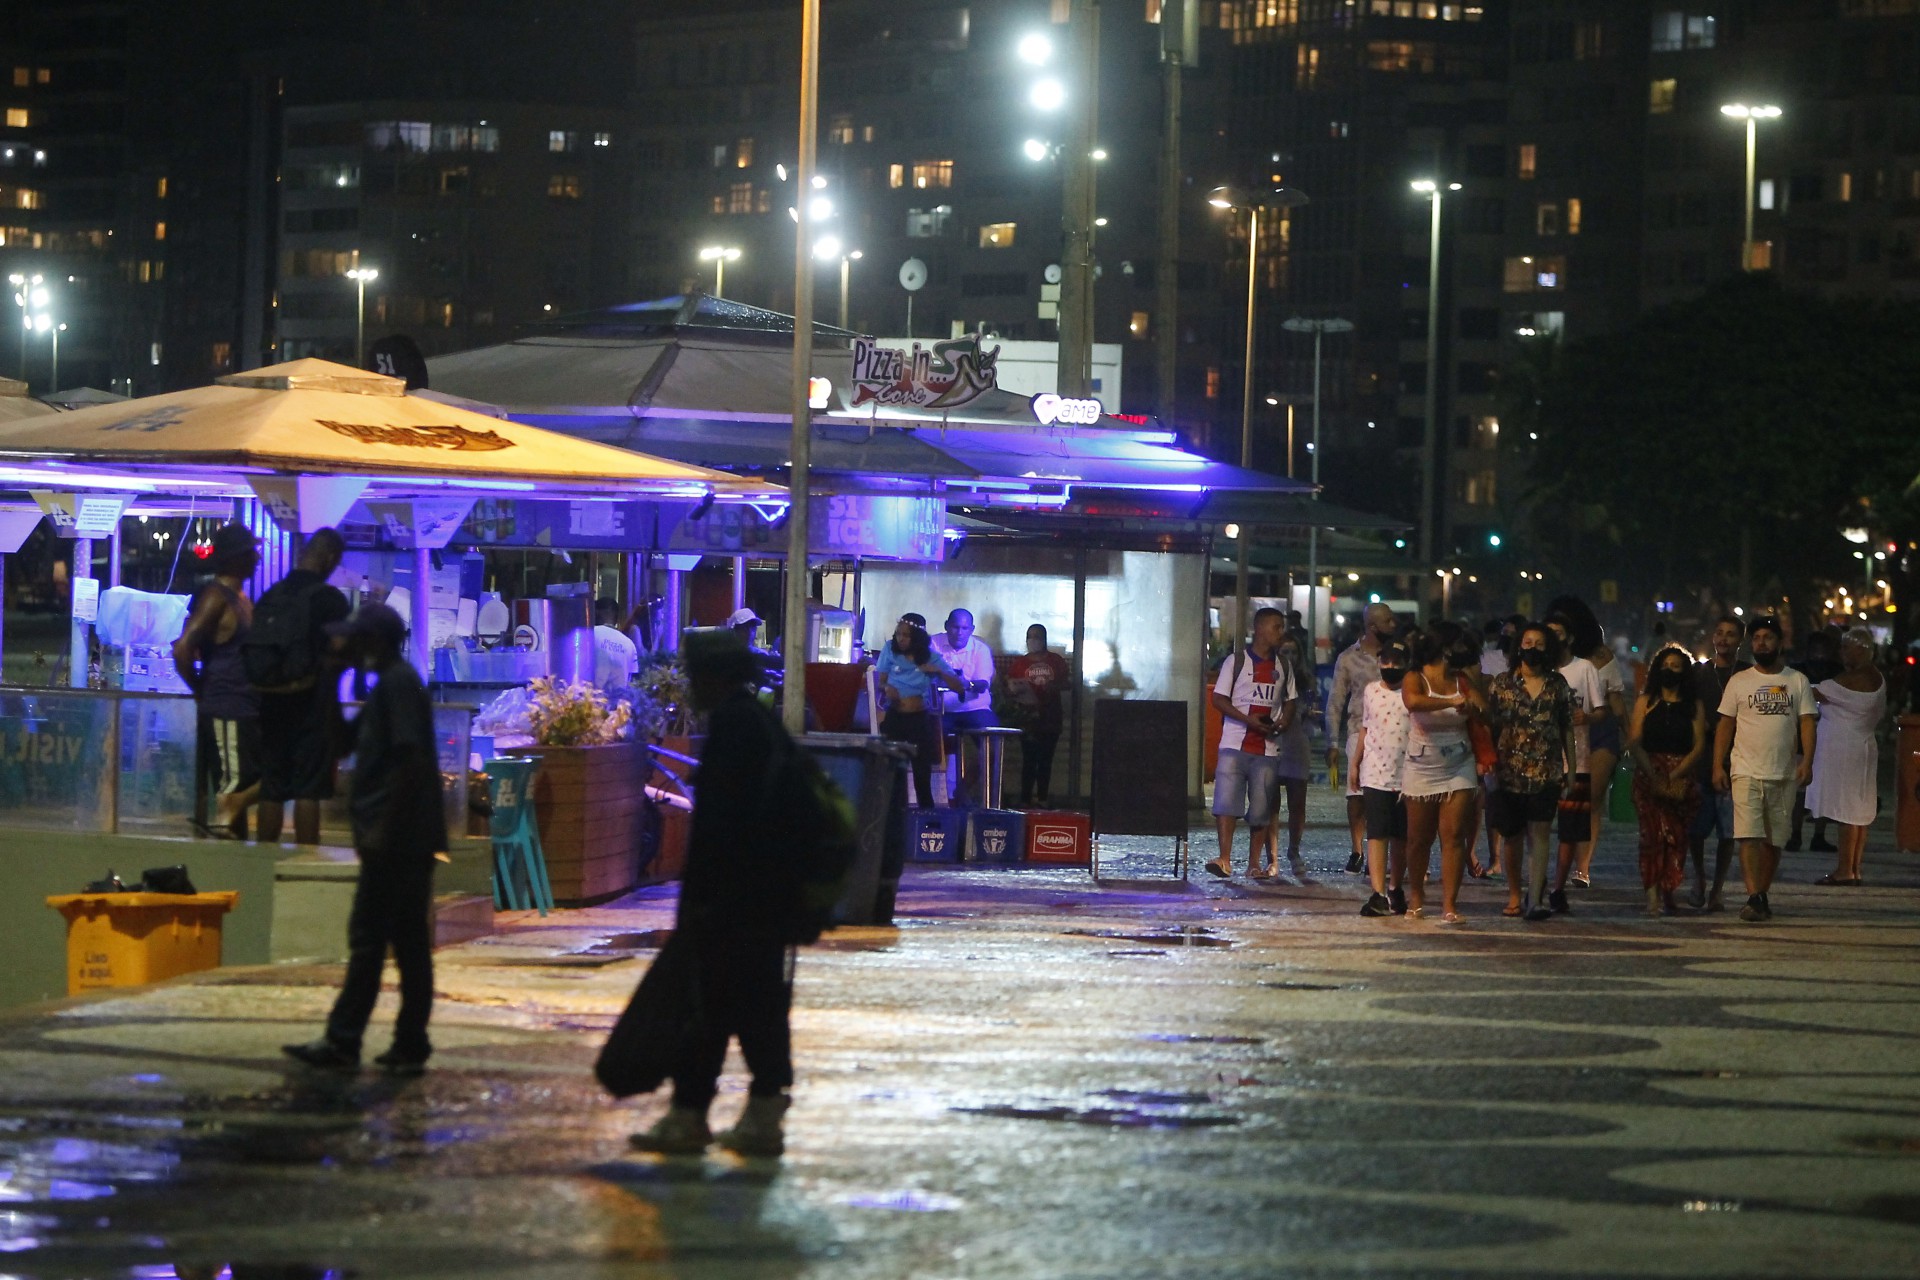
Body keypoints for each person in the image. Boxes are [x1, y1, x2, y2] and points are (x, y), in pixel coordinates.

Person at [628, 628, 805, 1156]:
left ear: (714, 677)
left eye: (696, 675)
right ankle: (752, 1113)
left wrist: (701, 905)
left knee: (711, 1009)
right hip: (763, 898)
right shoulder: (758, 722)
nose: (690, 685)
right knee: (752, 1008)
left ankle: (695, 1116)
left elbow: (723, 829)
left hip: (735, 901)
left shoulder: (733, 727)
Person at [283, 602, 447, 1076]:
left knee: (375, 939)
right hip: (400, 839)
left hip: (398, 842)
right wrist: (332, 681)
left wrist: (384, 831)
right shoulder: (388, 686)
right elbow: (342, 743)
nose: (347, 646)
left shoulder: (397, 685)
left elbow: (411, 760)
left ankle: (349, 1040)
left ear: (372, 641)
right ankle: (402, 1042)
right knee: (400, 941)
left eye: (355, 639)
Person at [1713, 615, 1817, 923]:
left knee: (1774, 841)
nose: (1761, 643)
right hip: (1745, 770)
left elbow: (1807, 723)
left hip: (1783, 773)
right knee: (1748, 836)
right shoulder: (1739, 681)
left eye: (1768, 638)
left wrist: (1807, 761)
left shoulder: (1797, 681)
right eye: (1756, 638)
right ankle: (1754, 896)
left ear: (1780, 644)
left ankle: (1761, 894)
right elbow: (1725, 725)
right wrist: (1717, 765)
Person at [253, 528, 351, 846]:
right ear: (330, 558)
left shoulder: (272, 594)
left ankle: (263, 860)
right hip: (312, 705)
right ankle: (306, 861)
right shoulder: (330, 600)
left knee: (272, 788)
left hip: (270, 703)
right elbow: (341, 648)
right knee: (308, 790)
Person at [172, 523, 263, 839]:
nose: (257, 558)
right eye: (251, 553)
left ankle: (233, 848)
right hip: (227, 706)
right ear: (235, 558)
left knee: (240, 788)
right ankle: (226, 851)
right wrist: (200, 688)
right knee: (232, 790)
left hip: (243, 706)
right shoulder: (217, 596)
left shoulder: (238, 597)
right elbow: (182, 648)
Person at [1485, 622, 1575, 921]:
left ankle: (1535, 898)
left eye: (1539, 643)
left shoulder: (1557, 685)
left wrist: (1571, 768)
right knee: (1511, 836)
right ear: (1518, 647)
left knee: (1540, 835)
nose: (1532, 648)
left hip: (1546, 771)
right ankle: (1514, 894)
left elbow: (1566, 728)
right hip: (1508, 772)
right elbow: (1490, 727)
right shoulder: (1502, 684)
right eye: (1527, 642)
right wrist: (1486, 764)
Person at [1400, 622, 1485, 921]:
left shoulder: (1462, 679)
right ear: (1445, 647)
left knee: (1454, 835)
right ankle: (1416, 897)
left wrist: (1472, 707)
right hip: (1422, 765)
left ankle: (1450, 904)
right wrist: (1450, 700)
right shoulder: (1415, 676)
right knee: (1418, 838)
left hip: (1459, 763)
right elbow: (1412, 701)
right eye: (1459, 643)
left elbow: (1484, 709)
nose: (1465, 649)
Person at [1206, 606, 1295, 880]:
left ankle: (1253, 863)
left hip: (1267, 748)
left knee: (1261, 809)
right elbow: (1218, 698)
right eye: (1276, 626)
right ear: (1259, 629)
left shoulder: (1283, 665)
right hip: (1234, 744)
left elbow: (1290, 700)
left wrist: (1283, 721)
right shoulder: (1236, 662)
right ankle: (1224, 858)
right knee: (1226, 803)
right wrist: (1247, 720)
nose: (1280, 632)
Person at [1547, 597, 1620, 889]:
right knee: (1562, 805)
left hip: (1598, 731)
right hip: (1558, 738)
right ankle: (1558, 867)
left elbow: (1614, 701)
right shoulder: (1546, 661)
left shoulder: (1598, 657)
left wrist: (1630, 735)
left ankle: (1583, 867)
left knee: (1592, 799)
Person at [1627, 646, 1706, 916]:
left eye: (1675, 666)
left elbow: (1698, 745)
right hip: (1648, 775)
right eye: (1665, 665)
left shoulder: (1693, 705)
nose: (1669, 670)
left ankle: (1669, 890)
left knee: (1676, 837)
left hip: (1681, 777)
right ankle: (1652, 897)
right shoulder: (1646, 702)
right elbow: (1634, 740)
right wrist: (1652, 772)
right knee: (1651, 836)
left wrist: (1675, 774)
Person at [1808, 626, 1886, 887]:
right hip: (1862, 746)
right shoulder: (1876, 676)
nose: (1840, 652)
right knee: (1859, 813)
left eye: (1845, 647)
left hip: (1846, 751)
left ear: (1861, 649)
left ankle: (1844, 870)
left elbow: (1814, 692)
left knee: (1846, 812)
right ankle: (1854, 869)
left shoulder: (1854, 678)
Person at [1327, 602, 1397, 874]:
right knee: (1356, 794)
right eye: (1388, 621)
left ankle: (1379, 853)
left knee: (1386, 796)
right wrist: (1333, 742)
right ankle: (1357, 850)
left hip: (1393, 734)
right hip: (1359, 731)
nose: (1393, 625)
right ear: (1372, 626)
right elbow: (1336, 701)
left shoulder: (1397, 655)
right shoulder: (1348, 658)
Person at [874, 616, 963, 807]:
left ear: (917, 637)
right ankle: (893, 816)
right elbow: (880, 681)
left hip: (919, 719)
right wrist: (887, 688)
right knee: (893, 773)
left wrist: (937, 671)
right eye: (898, 634)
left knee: (922, 773)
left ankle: (926, 817)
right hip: (895, 716)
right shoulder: (889, 649)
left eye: (906, 635)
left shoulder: (930, 656)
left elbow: (958, 686)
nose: (901, 639)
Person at [1690, 616, 1748, 910]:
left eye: (1731, 634)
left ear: (1740, 640)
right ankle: (1699, 877)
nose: (1724, 639)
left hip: (1736, 760)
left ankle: (1717, 889)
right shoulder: (1699, 673)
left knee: (1729, 832)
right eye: (1720, 633)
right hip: (1701, 759)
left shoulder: (1748, 673)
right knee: (1696, 829)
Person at [1354, 640, 1413, 917]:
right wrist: (1355, 764)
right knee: (1377, 833)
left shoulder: (1412, 693)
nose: (1389, 667)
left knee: (1401, 835)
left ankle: (1395, 887)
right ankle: (1377, 893)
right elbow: (1365, 728)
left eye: (1396, 662)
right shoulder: (1371, 691)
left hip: (1407, 775)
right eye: (1385, 661)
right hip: (1375, 773)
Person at [1250, 631, 1316, 880]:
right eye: (1285, 652)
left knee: (1297, 803)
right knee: (1272, 804)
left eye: (1294, 652)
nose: (1289, 656)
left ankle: (1294, 850)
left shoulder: (1305, 681)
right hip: (1273, 741)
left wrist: (1311, 715)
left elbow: (1312, 709)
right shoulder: (1270, 676)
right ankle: (1273, 858)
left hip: (1297, 743)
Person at [930, 608, 998, 806]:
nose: (959, 632)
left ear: (972, 629)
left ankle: (963, 789)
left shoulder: (980, 650)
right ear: (946, 626)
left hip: (975, 708)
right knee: (927, 741)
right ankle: (934, 796)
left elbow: (983, 684)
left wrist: (966, 684)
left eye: (964, 628)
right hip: (942, 710)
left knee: (993, 745)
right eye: (955, 627)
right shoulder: (933, 644)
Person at [1788, 629, 1843, 853]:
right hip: (1800, 736)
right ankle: (1796, 834)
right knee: (1799, 790)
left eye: (1823, 650)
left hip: (1828, 736)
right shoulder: (1797, 671)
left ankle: (1818, 835)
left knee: (1823, 790)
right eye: (1816, 650)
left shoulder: (1838, 672)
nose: (1819, 655)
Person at [1007, 623, 1070, 807]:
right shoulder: (1020, 663)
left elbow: (1068, 683)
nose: (1033, 640)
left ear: (1044, 639)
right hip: (1028, 718)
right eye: (1030, 636)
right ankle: (1025, 799)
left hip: (1050, 717)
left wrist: (1054, 686)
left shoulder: (1056, 660)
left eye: (1037, 636)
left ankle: (1042, 798)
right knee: (1028, 759)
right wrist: (1014, 690)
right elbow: (1009, 686)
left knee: (1045, 759)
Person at [594, 598, 641, 690]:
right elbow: (631, 681)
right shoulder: (629, 644)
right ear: (616, 618)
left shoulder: (590, 635)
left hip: (591, 697)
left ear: (597, 613)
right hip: (620, 698)